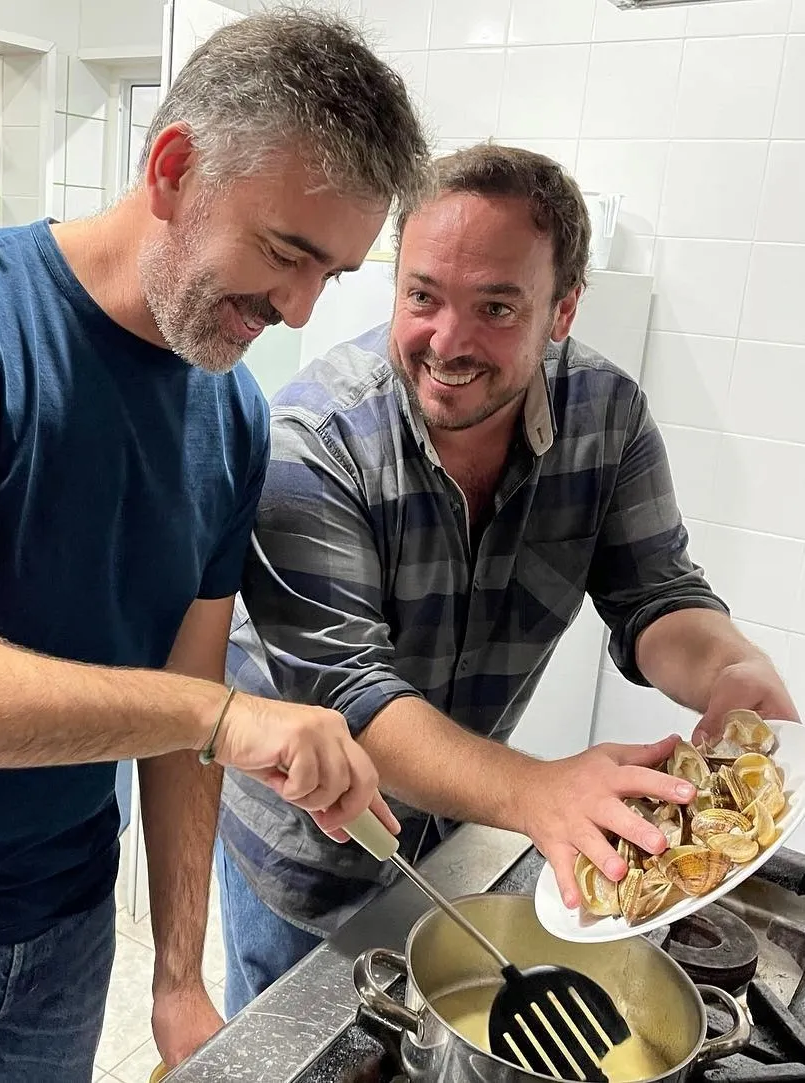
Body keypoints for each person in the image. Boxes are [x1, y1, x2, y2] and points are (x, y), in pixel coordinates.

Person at [0, 11, 428, 1082]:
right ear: (172, 165)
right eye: (286, 253)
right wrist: (219, 716)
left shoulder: (230, 413)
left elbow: (185, 709)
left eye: (330, 275)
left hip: (62, 923)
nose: (295, 308)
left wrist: (179, 973)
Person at [217, 143, 800, 1017]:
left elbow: (658, 594)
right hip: (309, 852)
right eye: (422, 296)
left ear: (562, 309)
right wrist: (537, 789)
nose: (448, 343)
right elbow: (352, 698)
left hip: (458, 836)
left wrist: (727, 669)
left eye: (496, 306)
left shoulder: (606, 416)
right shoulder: (317, 436)